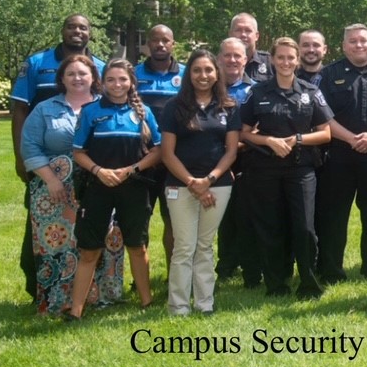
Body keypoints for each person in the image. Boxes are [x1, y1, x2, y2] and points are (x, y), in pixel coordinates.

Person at [10, 13, 106, 299]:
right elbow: (19, 112)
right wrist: (21, 158)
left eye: (83, 27)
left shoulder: (100, 66)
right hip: (47, 166)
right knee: (42, 230)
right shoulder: (37, 64)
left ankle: (91, 291)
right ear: (62, 30)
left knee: (91, 228)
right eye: (71, 26)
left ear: (90, 33)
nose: (77, 31)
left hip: (91, 169)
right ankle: (39, 287)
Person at [68, 60, 162, 319]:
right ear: (102, 82)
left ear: (131, 82)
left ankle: (146, 303)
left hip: (134, 187)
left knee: (137, 245)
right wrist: (99, 171)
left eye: (122, 79)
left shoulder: (144, 113)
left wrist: (131, 170)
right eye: (111, 79)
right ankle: (76, 310)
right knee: (89, 249)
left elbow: (158, 150)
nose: (117, 85)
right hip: (98, 186)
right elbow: (78, 152)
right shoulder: (90, 111)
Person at [239, 37, 333, 299]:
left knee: (305, 228)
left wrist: (297, 140)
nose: (285, 62)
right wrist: (268, 140)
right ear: (272, 60)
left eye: (290, 58)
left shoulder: (310, 91)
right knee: (271, 227)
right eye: (280, 57)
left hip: (301, 169)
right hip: (264, 169)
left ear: (297, 60)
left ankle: (309, 284)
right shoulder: (257, 92)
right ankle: (276, 284)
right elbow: (244, 134)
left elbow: (325, 134)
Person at [159, 48, 240, 315]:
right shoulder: (174, 107)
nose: (203, 75)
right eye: (196, 70)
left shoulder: (229, 107)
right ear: (188, 74)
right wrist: (193, 182)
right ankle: (179, 306)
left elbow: (231, 151)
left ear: (217, 74)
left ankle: (205, 303)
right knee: (184, 246)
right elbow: (167, 153)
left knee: (205, 245)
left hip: (218, 186)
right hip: (180, 185)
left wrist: (210, 180)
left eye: (208, 70)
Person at [315, 24, 367, 283]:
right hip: (339, 155)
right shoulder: (328, 75)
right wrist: (351, 139)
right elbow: (321, 116)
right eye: (353, 41)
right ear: (343, 46)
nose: (358, 45)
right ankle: (331, 271)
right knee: (334, 215)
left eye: (363, 41)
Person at [213, 37, 259, 285]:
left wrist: (235, 148)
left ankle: (250, 266)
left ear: (246, 60)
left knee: (247, 214)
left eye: (237, 56)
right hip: (214, 160)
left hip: (248, 159)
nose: (232, 60)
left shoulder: (256, 90)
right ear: (219, 59)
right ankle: (226, 265)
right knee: (223, 216)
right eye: (227, 56)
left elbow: (259, 129)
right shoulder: (209, 89)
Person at [135, 24, 182, 262]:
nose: (160, 44)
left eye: (165, 40)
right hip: (141, 159)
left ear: (173, 44)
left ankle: (174, 277)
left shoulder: (186, 75)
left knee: (173, 219)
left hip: (175, 159)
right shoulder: (133, 75)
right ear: (147, 45)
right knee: (138, 221)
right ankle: (139, 279)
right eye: (155, 40)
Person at [229, 12, 272, 83]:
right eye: (238, 30)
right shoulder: (221, 63)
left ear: (256, 36)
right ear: (230, 34)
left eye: (248, 30)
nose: (243, 34)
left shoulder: (270, 62)